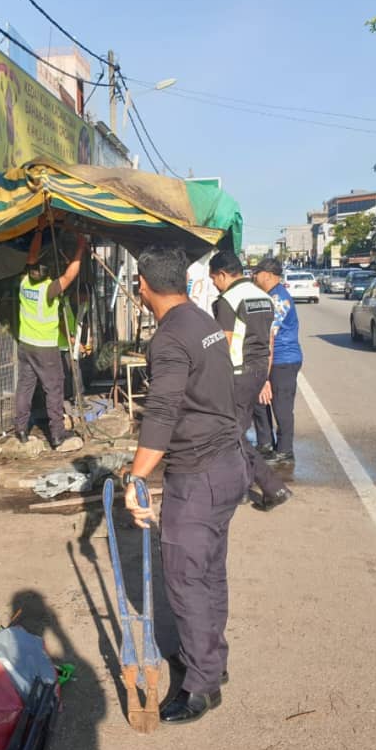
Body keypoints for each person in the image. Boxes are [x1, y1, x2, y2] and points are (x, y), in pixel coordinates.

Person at [120, 246, 248, 725]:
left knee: (188, 580)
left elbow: (163, 410)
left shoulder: (170, 337)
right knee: (209, 573)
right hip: (226, 462)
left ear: (143, 285)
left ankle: (201, 687)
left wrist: (136, 477)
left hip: (199, 475)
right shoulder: (203, 320)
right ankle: (212, 662)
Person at [209, 250, 293, 511]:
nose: (214, 284)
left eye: (214, 279)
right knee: (237, 431)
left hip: (236, 372)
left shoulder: (228, 300)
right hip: (258, 369)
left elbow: (225, 340)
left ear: (223, 274)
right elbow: (269, 340)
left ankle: (272, 487)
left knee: (231, 433)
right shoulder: (264, 297)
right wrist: (265, 377)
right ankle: (245, 488)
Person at [15, 227, 87, 452]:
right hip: (45, 348)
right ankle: (57, 435)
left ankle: (20, 429)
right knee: (54, 388)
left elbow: (31, 256)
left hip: (25, 345)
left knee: (25, 387)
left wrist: (37, 231)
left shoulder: (24, 282)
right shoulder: (49, 290)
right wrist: (80, 250)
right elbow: (70, 275)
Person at [250, 257, 303, 467]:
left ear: (268, 275)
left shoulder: (278, 299)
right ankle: (265, 444)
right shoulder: (268, 296)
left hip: (283, 360)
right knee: (260, 400)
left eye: (257, 272)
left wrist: (264, 374)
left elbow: (269, 338)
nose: (254, 276)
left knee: (281, 406)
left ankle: (285, 450)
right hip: (272, 359)